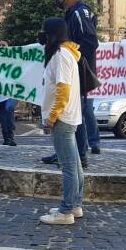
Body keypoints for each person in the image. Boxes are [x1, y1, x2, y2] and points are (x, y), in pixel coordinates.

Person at [43, 0, 99, 167]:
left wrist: (71, 57)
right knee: (73, 111)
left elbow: (90, 42)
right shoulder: (81, 12)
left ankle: (79, 154)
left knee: (75, 113)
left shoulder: (77, 13)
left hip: (78, 69)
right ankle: (64, 151)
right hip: (77, 67)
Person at [38, 18, 84, 225]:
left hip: (62, 118)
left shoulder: (61, 55)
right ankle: (75, 204)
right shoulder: (67, 53)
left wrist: (52, 116)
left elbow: (63, 90)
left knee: (67, 166)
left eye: (44, 33)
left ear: (52, 35)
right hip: (68, 116)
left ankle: (66, 211)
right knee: (74, 165)